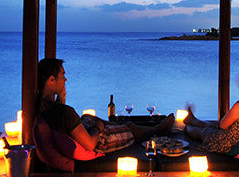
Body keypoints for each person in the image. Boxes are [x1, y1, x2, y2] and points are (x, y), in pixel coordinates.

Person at [36, 58, 173, 154]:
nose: (66, 79)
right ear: (52, 79)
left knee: (87, 116)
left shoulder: (42, 105)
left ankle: (118, 125)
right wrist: (98, 127)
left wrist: (62, 97)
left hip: (80, 132)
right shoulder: (65, 112)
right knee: (131, 128)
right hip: (98, 142)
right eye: (62, 75)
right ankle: (158, 129)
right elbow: (90, 144)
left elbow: (63, 119)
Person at [184, 59, 239, 153]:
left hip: (229, 145)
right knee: (213, 124)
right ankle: (194, 120)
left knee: (201, 131)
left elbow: (222, 125)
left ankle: (188, 125)